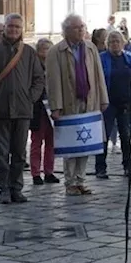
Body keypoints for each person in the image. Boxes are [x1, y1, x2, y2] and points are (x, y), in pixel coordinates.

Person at [0, 13, 45, 204]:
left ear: (21, 29)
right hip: (0, 111)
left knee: (19, 153)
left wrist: (30, 98)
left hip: (23, 111)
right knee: (1, 154)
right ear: (4, 28)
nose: (13, 30)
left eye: (17, 27)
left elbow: (39, 79)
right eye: (10, 26)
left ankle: (17, 188)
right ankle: (4, 190)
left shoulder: (29, 53)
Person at [46, 14, 109, 196]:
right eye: (76, 28)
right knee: (70, 145)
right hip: (68, 103)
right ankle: (70, 182)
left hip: (90, 102)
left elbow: (98, 75)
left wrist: (103, 98)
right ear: (66, 30)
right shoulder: (56, 51)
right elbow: (53, 81)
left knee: (87, 142)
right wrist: (55, 106)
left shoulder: (90, 48)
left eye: (82, 27)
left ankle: (81, 180)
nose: (81, 30)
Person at [97, 30, 131, 179]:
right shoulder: (102, 59)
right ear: (107, 44)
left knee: (126, 136)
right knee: (104, 136)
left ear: (123, 43)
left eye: (117, 41)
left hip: (125, 102)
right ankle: (100, 167)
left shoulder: (129, 58)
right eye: (112, 42)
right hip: (108, 103)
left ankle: (128, 166)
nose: (115, 44)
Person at [29, 38, 58, 185]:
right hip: (38, 109)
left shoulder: (54, 66)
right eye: (44, 48)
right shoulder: (33, 66)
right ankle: (35, 173)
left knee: (51, 142)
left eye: (49, 48)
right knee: (37, 142)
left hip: (52, 108)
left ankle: (49, 171)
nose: (46, 51)